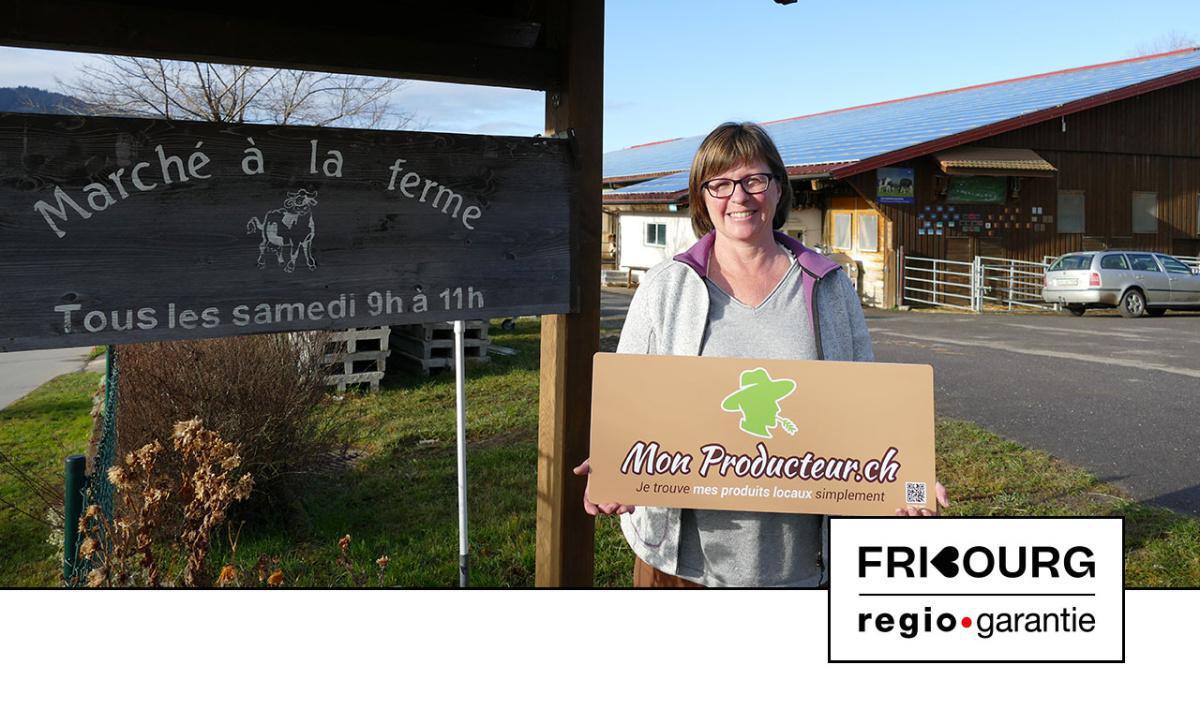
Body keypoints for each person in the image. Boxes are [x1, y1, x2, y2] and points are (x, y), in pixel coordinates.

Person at [576, 122, 946, 588]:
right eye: (721, 183)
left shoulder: (829, 287)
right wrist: (613, 461)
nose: (740, 197)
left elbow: (865, 416)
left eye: (754, 180)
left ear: (777, 189)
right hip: (682, 564)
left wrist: (905, 482)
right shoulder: (665, 286)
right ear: (702, 196)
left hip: (797, 563)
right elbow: (629, 402)